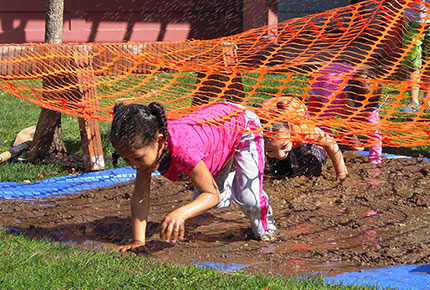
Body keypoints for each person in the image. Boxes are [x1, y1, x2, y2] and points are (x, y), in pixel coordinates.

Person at [109, 102, 277, 252]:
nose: (133, 165)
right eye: (126, 159)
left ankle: (266, 227)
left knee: (248, 199)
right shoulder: (147, 151)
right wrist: (139, 241)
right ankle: (230, 173)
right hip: (216, 137)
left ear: (159, 141)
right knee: (217, 203)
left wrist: (180, 213)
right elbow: (140, 196)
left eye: (137, 158)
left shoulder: (183, 151)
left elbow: (211, 194)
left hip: (241, 124)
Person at [258, 96, 348, 179]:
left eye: (284, 146)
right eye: (270, 150)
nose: (280, 155)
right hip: (269, 111)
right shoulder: (256, 135)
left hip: (293, 111)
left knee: (312, 167)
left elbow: (331, 144)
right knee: (280, 174)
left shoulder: (302, 130)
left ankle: (320, 153)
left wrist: (341, 174)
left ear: (289, 128)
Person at [345, 69, 383, 164]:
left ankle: (350, 133)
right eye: (360, 106)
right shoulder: (335, 99)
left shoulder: (371, 111)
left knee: (373, 130)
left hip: (356, 111)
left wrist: (375, 161)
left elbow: (375, 137)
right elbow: (324, 122)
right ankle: (350, 132)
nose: (363, 111)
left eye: (368, 107)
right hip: (344, 109)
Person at [400, 0, 430, 113]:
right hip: (412, 22)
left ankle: (427, 100)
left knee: (428, 64)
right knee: (413, 64)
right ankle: (413, 102)